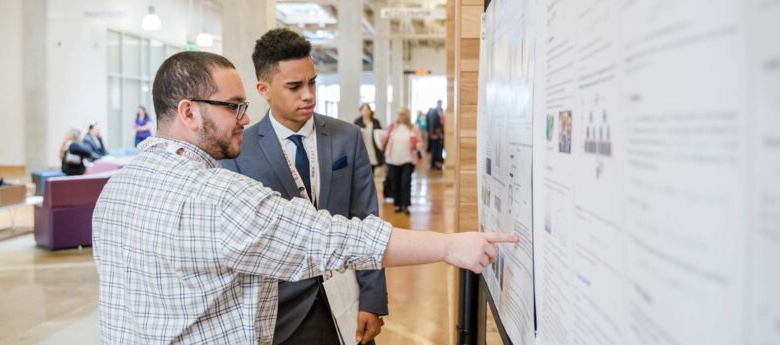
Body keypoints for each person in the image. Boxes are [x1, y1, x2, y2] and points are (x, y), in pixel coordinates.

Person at [93, 51, 517, 344]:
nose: (244, 119)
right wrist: (449, 245)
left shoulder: (116, 190)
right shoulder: (216, 197)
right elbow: (331, 239)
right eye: (233, 107)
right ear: (189, 112)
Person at [220, 29, 387, 345]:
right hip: (278, 314)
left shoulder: (347, 138)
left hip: (347, 302)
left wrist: (372, 298)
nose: (308, 95)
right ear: (264, 89)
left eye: (312, 83)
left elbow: (367, 219)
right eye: (294, 87)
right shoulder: (240, 152)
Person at [382, 108, 422, 215]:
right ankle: (398, 204)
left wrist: (415, 146)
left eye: (402, 114)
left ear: (407, 115)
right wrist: (387, 131)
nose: (400, 116)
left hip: (408, 159)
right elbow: (384, 139)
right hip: (393, 159)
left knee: (405, 182)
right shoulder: (393, 127)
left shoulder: (414, 128)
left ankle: (405, 205)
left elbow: (420, 143)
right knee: (395, 183)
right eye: (398, 114)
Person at [353, 103, 385, 173]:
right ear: (360, 111)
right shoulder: (357, 122)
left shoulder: (376, 122)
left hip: (373, 149)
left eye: (367, 109)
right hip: (361, 149)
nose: (365, 111)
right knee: (362, 170)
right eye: (363, 109)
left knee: (371, 171)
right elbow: (353, 135)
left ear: (370, 111)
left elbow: (380, 133)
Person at [425, 100, 444, 170]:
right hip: (434, 135)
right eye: (440, 103)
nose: (441, 105)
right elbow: (433, 124)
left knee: (435, 150)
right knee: (434, 150)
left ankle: (434, 164)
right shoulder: (434, 112)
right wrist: (433, 133)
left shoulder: (436, 111)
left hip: (435, 134)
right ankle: (433, 165)